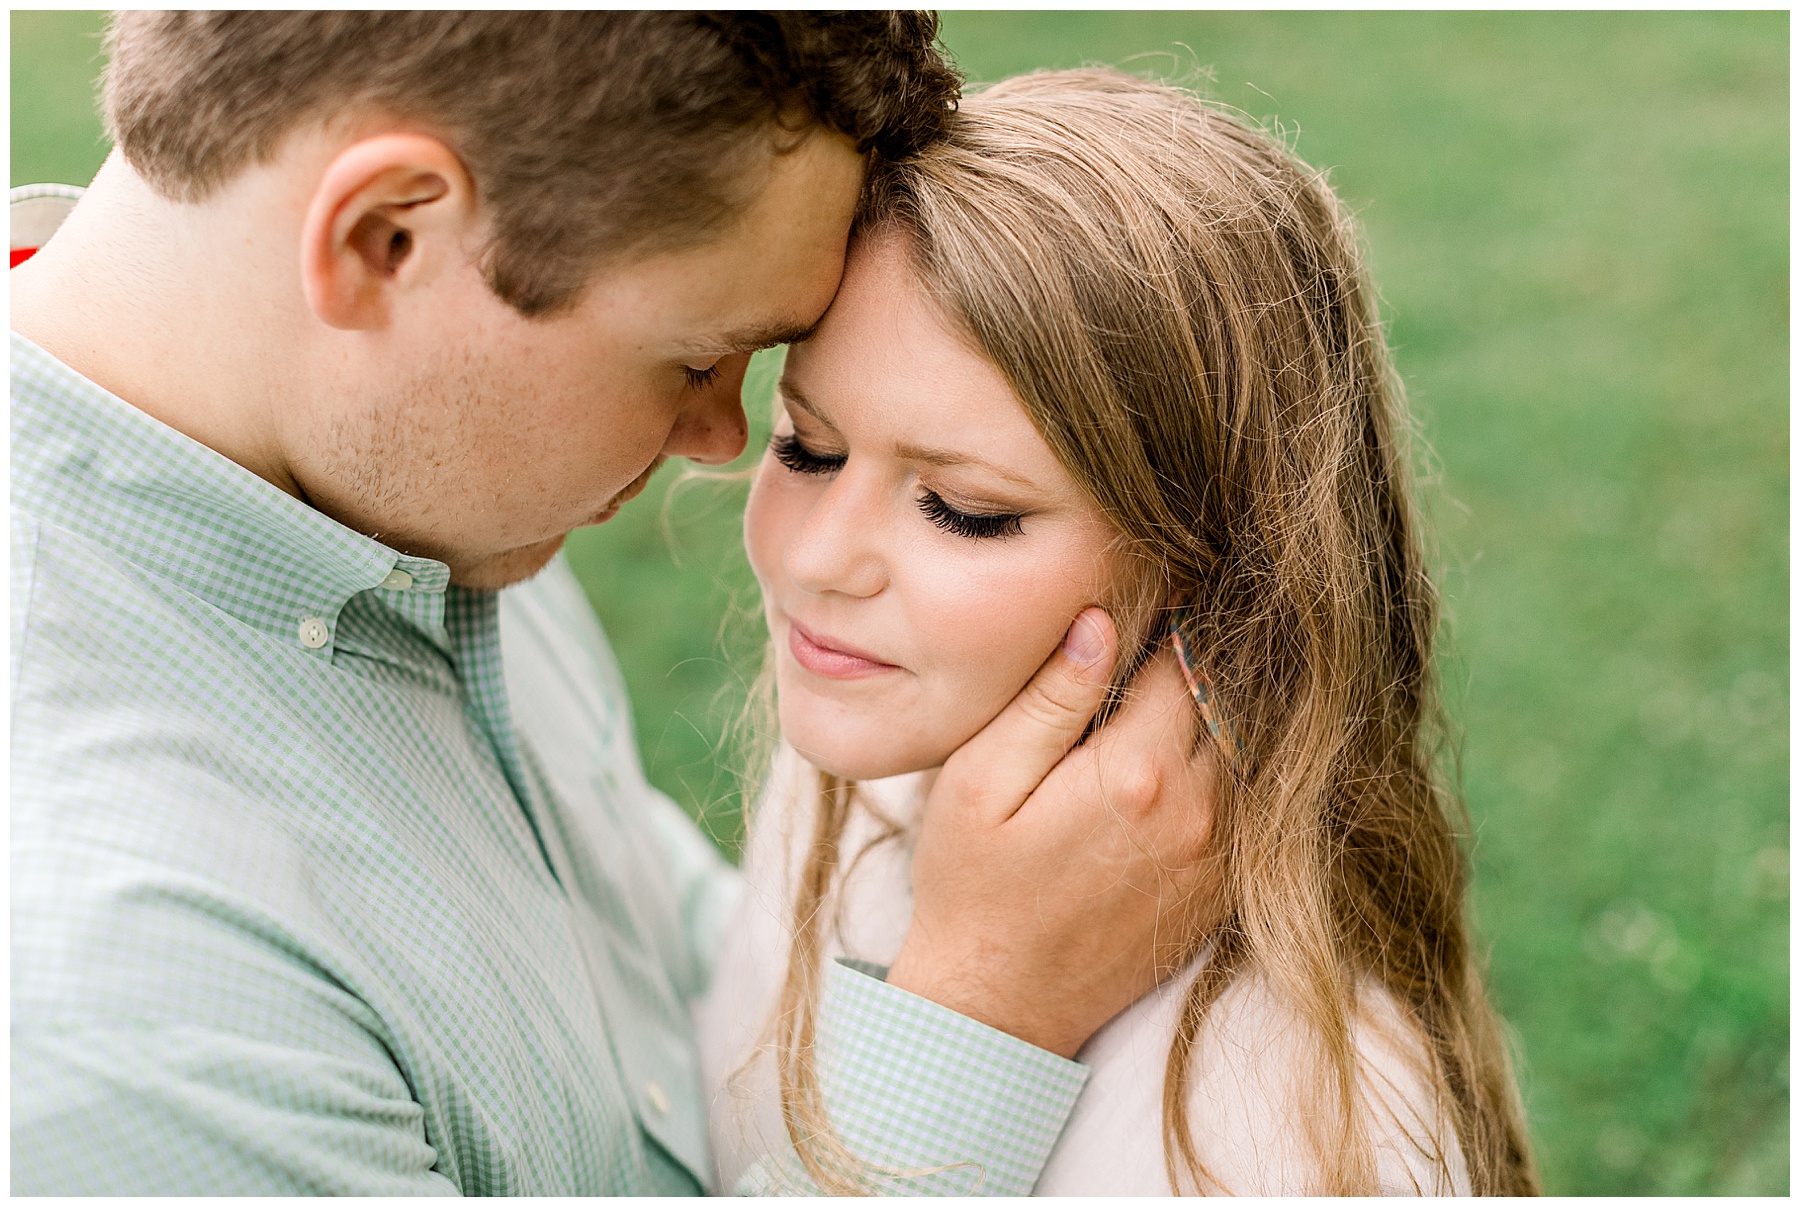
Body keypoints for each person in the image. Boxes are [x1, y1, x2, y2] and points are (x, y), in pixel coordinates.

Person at [11, 15, 1218, 1195]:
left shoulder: (403, 483)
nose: (718, 437)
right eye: (695, 359)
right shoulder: (116, 997)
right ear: (387, 238)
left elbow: (631, 957)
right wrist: (986, 999)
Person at [697, 70, 1541, 1195]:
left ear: (1220, 571)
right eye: (806, 445)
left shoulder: (1281, 1130)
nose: (811, 557)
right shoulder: (867, 756)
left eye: (965, 509)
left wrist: (986, 989)